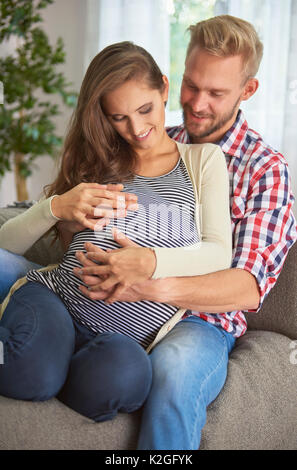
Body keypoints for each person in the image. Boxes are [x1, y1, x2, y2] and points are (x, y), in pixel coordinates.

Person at [62, 15, 297, 450]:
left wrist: (149, 284)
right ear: (174, 79)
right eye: (192, 85)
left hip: (199, 323)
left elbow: (246, 288)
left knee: (173, 374)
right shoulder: (152, 135)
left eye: (217, 92)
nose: (198, 103)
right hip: (102, 292)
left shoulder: (265, 169)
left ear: (248, 91)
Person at [0, 42, 233, 428]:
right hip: (57, 300)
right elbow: (7, 245)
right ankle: (40, 363)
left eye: (145, 110)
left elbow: (217, 252)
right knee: (31, 373)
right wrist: (56, 208)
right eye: (119, 117)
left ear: (163, 88)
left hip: (123, 341)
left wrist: (149, 261)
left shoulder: (202, 161)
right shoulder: (100, 160)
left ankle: (55, 368)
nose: (137, 129)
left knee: (127, 378)